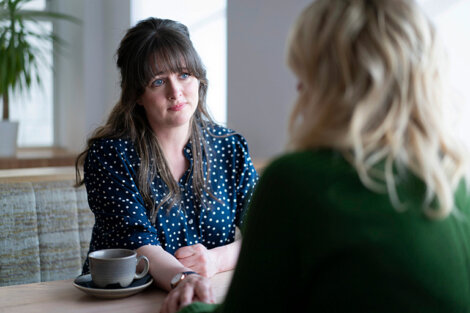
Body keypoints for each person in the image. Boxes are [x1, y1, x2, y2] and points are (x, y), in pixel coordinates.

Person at [162, 0, 470, 312]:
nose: (298, 86)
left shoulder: (293, 181)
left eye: (306, 71)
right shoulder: (449, 179)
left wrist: (188, 308)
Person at [75, 17, 258, 297]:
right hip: (125, 299)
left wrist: (214, 261)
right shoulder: (110, 155)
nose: (176, 92)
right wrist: (185, 279)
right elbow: (138, 244)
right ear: (137, 95)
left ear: (199, 78)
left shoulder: (230, 148)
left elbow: (265, 231)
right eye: (159, 81)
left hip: (208, 294)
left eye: (184, 75)